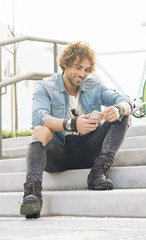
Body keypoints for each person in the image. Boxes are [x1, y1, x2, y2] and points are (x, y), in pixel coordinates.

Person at [20, 41, 132, 219]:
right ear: (65, 63)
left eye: (87, 70)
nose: (82, 74)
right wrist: (71, 124)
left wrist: (118, 109)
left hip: (88, 148)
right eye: (78, 67)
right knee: (40, 130)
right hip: (60, 152)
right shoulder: (46, 86)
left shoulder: (93, 84)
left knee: (122, 113)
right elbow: (39, 117)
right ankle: (32, 193)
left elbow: (125, 99)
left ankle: (99, 172)